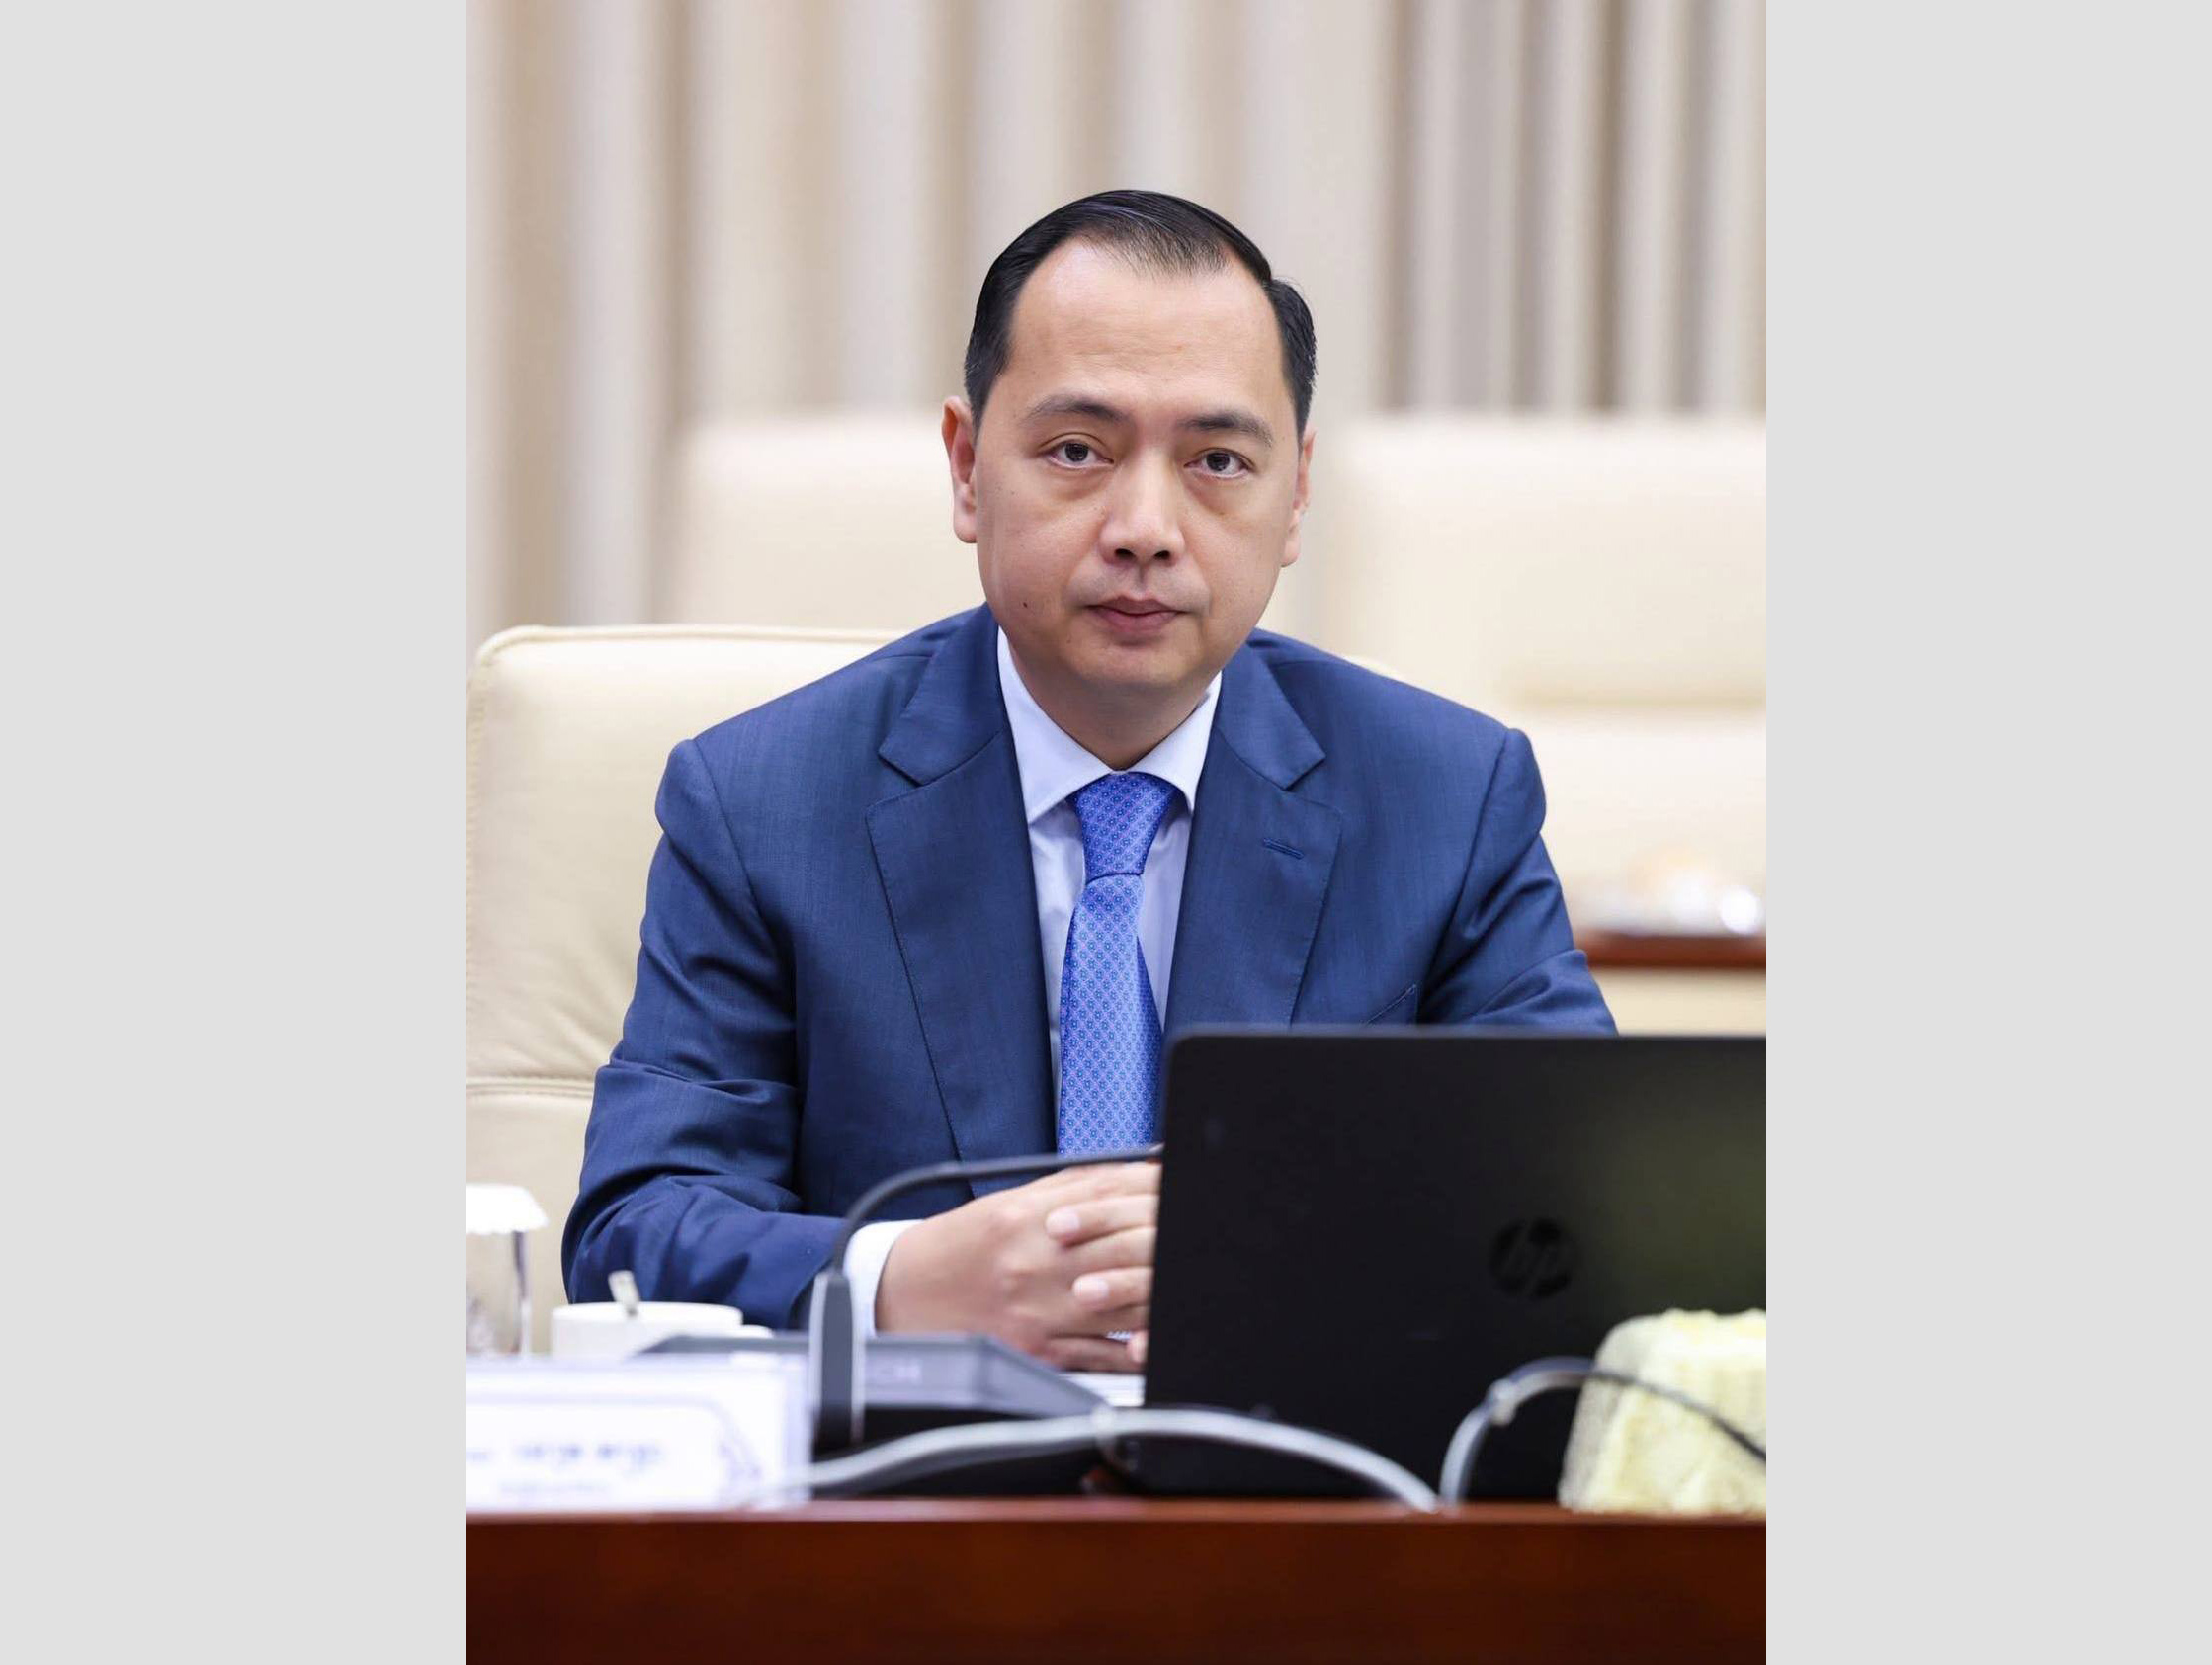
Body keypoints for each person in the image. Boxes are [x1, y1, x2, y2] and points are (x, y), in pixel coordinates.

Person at [564, 190, 1614, 1373]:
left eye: (1217, 461)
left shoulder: (1446, 799)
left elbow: (1575, 1214)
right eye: (1076, 451)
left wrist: (1283, 1256)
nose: (1144, 527)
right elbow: (636, 1231)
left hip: (1286, 1468)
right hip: (917, 1475)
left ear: (1294, 496)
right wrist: (904, 1280)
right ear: (967, 469)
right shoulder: (762, 802)